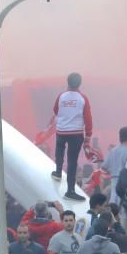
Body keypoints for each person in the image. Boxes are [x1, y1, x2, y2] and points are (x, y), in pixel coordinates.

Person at [51, 72, 92, 201]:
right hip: (76, 133)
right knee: (72, 162)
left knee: (59, 152)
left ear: (67, 82)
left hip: (61, 130)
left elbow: (55, 110)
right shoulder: (82, 98)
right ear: (80, 83)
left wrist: (66, 115)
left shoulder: (61, 96)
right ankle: (70, 191)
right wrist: (88, 136)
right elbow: (88, 118)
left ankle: (57, 172)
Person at [102, 126, 127, 205]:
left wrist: (112, 171)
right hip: (126, 180)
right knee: (124, 203)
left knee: (113, 200)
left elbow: (104, 166)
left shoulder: (113, 150)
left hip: (114, 179)